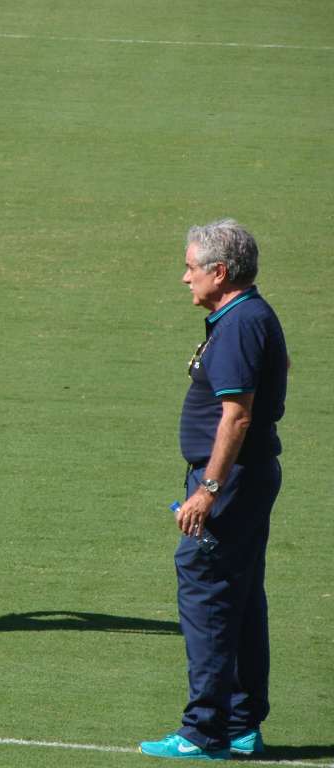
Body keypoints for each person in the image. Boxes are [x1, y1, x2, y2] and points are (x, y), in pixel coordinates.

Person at [140, 220, 288, 760]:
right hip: (243, 479)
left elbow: (237, 416)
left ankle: (205, 730)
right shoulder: (251, 316)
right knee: (242, 597)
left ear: (219, 272)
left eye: (191, 267)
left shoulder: (239, 323)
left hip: (227, 482)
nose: (185, 278)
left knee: (205, 591)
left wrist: (207, 488)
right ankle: (243, 723)